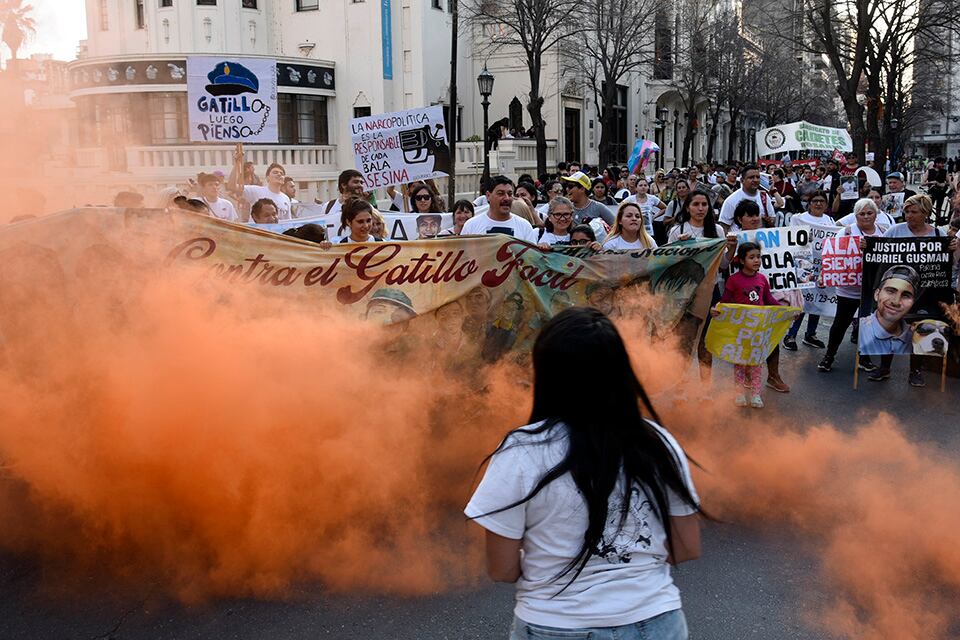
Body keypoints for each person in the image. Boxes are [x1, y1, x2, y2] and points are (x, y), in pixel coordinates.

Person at [465, 307, 702, 640]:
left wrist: (551, 567)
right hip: (657, 622)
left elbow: (502, 568)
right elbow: (687, 547)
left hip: (556, 625)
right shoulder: (657, 442)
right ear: (621, 371)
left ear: (547, 374)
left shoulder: (522, 450)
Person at [869, 194, 959, 386]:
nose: (909, 215)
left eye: (914, 212)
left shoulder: (938, 235)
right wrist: (866, 247)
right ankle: (884, 368)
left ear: (925, 213)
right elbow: (877, 251)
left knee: (920, 330)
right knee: (891, 327)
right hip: (899, 291)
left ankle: (915, 371)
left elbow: (949, 263)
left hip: (926, 293)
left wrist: (952, 248)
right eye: (907, 211)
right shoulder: (895, 231)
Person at [713, 241, 789, 408]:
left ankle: (755, 394)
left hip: (758, 330)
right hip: (740, 330)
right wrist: (716, 309)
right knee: (739, 361)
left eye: (758, 257)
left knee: (756, 361)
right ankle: (739, 392)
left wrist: (787, 311)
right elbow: (725, 301)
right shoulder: (733, 280)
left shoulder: (762, 279)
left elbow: (769, 300)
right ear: (741, 260)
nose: (756, 260)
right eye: (752, 257)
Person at [727, 201, 792, 394]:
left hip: (769, 294)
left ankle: (773, 375)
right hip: (744, 302)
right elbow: (724, 265)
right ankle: (745, 376)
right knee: (745, 342)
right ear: (740, 219)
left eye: (757, 214)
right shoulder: (732, 238)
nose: (755, 218)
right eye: (749, 215)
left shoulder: (772, 235)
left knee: (772, 338)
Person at [817, 198, 884, 373]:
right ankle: (829, 356)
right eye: (862, 214)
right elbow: (830, 256)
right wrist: (824, 275)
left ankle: (864, 357)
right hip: (849, 289)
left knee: (868, 324)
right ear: (855, 216)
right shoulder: (846, 232)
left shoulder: (883, 233)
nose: (866, 217)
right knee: (840, 323)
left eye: (870, 213)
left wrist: (870, 248)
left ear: (876, 214)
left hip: (872, 290)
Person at [781, 191, 835, 351]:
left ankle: (811, 334)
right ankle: (790, 335)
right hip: (803, 265)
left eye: (822, 201)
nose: (818, 204)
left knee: (818, 300)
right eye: (815, 201)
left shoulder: (830, 221)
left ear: (826, 205)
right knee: (802, 302)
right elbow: (791, 239)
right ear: (809, 203)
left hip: (821, 266)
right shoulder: (799, 219)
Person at [460, 175, 539, 242]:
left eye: (510, 194)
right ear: (488, 196)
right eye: (500, 193)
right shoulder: (471, 226)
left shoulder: (524, 226)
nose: (506, 198)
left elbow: (531, 258)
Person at [229, 144, 292, 220]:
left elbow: (288, 222)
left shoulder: (286, 198)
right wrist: (237, 163)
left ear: (283, 180)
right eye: (275, 172)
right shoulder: (256, 191)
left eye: (281, 173)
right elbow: (232, 186)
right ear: (268, 178)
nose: (279, 174)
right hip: (257, 231)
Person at [622, 176, 664, 240]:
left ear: (648, 187)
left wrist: (654, 216)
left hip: (649, 231)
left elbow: (664, 208)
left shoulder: (652, 198)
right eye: (640, 185)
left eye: (645, 185)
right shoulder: (630, 199)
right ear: (636, 188)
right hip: (635, 231)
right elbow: (620, 209)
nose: (643, 187)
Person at [923, 157, 950, 224]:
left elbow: (948, 182)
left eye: (943, 163)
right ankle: (928, 219)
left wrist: (941, 184)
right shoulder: (929, 171)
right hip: (932, 192)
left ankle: (938, 221)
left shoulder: (945, 172)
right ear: (936, 163)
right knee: (929, 206)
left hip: (941, 192)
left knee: (939, 207)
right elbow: (923, 183)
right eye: (941, 163)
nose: (943, 165)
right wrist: (932, 182)